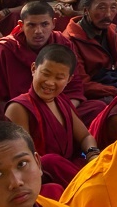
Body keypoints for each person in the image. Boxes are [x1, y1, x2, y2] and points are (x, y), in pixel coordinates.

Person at [7, 42, 98, 182]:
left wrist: (92, 154)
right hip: (43, 177)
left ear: (69, 80)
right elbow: (22, 157)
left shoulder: (61, 101)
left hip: (69, 168)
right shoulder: (19, 108)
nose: (50, 83)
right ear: (33, 69)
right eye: (45, 74)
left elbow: (85, 137)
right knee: (50, 161)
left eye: (59, 78)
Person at [60, 0, 117, 104]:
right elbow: (82, 83)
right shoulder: (70, 40)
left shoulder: (112, 30)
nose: (108, 14)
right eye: (102, 8)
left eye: (113, 8)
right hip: (98, 92)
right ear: (86, 10)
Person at [0, 0, 61, 107]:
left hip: (57, 106)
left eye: (44, 24)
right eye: (31, 25)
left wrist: (61, 112)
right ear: (21, 25)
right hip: (17, 110)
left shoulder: (62, 44)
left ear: (53, 23)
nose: (38, 31)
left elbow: (74, 87)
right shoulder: (5, 50)